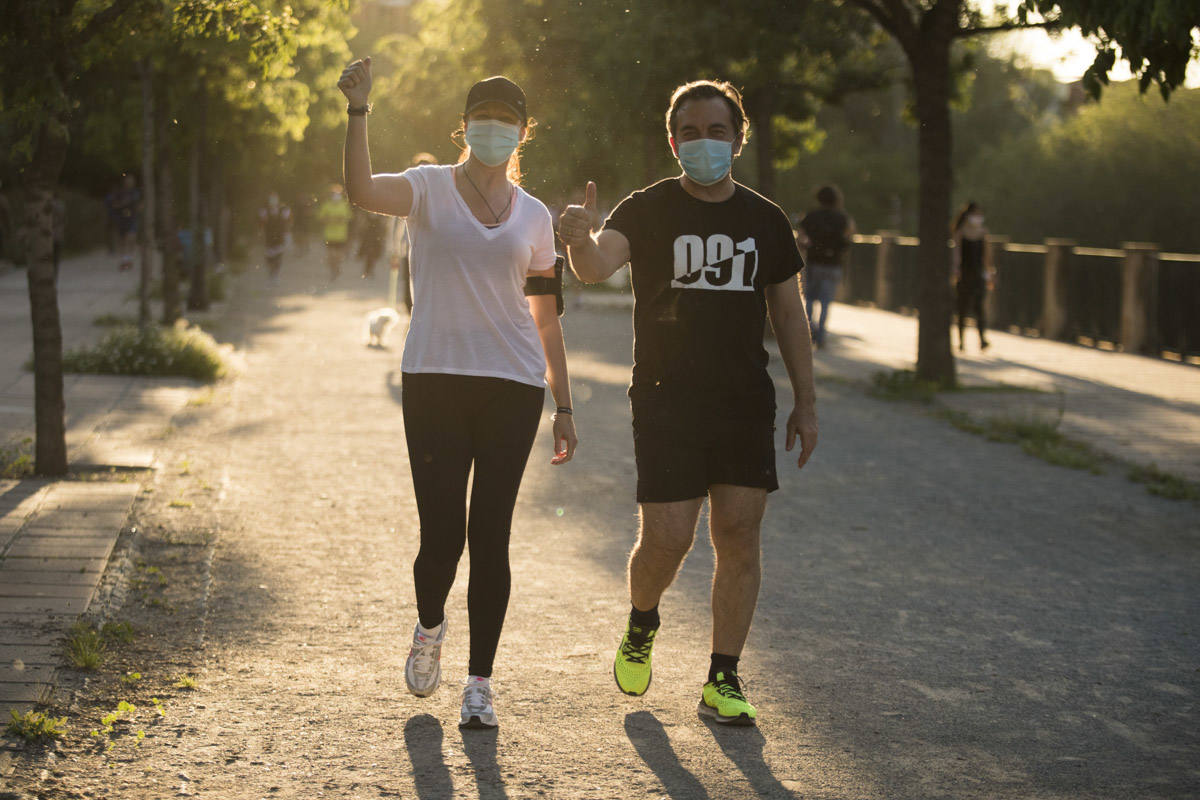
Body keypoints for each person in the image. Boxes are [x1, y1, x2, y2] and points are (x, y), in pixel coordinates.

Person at [560, 79, 818, 726]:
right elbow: (594, 267)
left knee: (738, 534)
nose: (705, 143)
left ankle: (722, 678)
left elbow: (789, 314)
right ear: (674, 141)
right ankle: (642, 622)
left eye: (718, 131)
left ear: (738, 138)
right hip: (665, 399)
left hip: (743, 402)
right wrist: (576, 238)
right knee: (668, 539)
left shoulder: (764, 220)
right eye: (692, 132)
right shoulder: (647, 210)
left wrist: (806, 404)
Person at [338, 58, 579, 730]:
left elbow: (546, 316)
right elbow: (358, 189)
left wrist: (565, 405)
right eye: (484, 119)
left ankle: (480, 683)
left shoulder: (535, 218)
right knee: (442, 534)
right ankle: (429, 626)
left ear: (523, 133)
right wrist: (359, 111)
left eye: (507, 121)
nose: (494, 129)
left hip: (513, 386)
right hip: (435, 381)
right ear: (463, 126)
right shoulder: (425, 190)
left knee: (491, 535)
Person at [796, 185, 855, 348]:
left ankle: (809, 331)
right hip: (833, 264)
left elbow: (801, 237)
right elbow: (848, 237)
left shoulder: (811, 216)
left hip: (814, 262)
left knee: (809, 299)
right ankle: (821, 336)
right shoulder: (843, 217)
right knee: (826, 301)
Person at [388, 154, 438, 311]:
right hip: (409, 249)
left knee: (430, 284)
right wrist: (394, 250)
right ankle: (412, 312)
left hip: (433, 250)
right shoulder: (407, 193)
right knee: (410, 282)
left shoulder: (441, 194)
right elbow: (397, 227)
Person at [952, 201, 991, 351]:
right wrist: (956, 271)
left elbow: (987, 257)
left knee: (979, 308)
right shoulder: (960, 233)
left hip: (978, 275)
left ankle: (982, 339)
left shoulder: (983, 233)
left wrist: (989, 275)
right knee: (962, 308)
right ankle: (961, 341)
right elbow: (956, 255)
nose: (978, 217)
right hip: (964, 275)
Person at [318, 184, 353, 280]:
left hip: (341, 236)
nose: (336, 195)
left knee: (338, 256)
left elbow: (348, 218)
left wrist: (340, 220)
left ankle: (337, 268)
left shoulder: (344, 205)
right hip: (329, 235)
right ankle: (333, 270)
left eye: (338, 193)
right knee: (330, 256)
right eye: (334, 193)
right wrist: (329, 219)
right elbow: (321, 218)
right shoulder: (326, 205)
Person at [110, 173, 141, 271]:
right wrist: (122, 205)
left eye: (131, 181)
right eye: (128, 181)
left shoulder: (136, 193)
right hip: (122, 219)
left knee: (130, 238)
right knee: (123, 241)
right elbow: (114, 204)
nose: (129, 183)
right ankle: (124, 260)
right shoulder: (120, 193)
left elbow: (140, 205)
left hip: (132, 218)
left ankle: (129, 259)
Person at [258, 192, 291, 283]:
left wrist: (287, 234)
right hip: (268, 236)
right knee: (269, 257)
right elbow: (261, 223)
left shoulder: (284, 210)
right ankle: (270, 273)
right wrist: (260, 233)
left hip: (280, 236)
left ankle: (275, 274)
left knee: (278, 257)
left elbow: (287, 222)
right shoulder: (264, 210)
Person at [356, 208, 388, 279]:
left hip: (376, 237)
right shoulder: (366, 212)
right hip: (367, 236)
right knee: (368, 254)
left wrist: (383, 235)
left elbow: (384, 224)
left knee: (374, 255)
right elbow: (361, 222)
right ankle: (367, 270)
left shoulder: (381, 214)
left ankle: (370, 270)